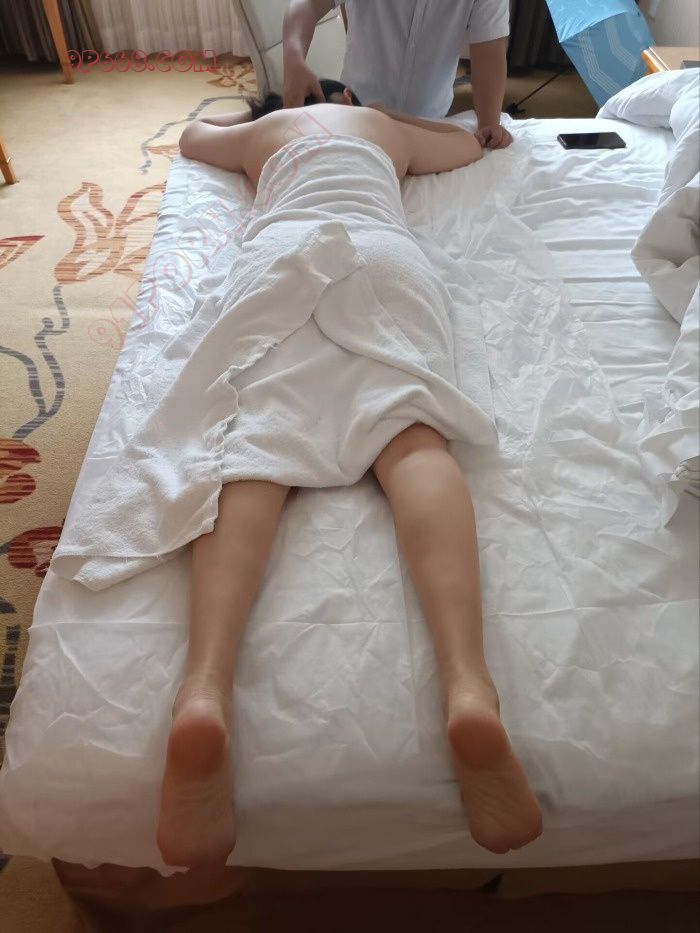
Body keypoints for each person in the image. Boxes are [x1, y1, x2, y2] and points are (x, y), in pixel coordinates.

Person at [155, 88, 542, 868]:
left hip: (281, 254)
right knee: (411, 436)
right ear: (353, 101)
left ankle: (202, 689)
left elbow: (193, 138)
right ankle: (469, 686)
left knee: (253, 446)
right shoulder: (383, 129)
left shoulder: (265, 133)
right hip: (379, 254)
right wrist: (413, 122)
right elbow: (468, 145)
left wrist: (245, 119)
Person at [283, 0, 513, 149]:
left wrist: (489, 123)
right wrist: (294, 59)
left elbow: (489, 52)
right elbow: (307, 4)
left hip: (429, 124)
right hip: (355, 113)